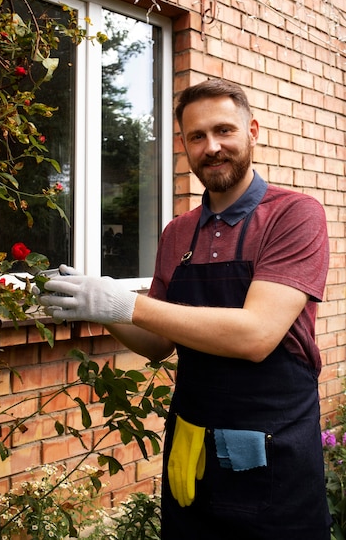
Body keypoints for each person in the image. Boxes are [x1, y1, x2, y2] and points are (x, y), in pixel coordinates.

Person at [38, 77, 331, 539]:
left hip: (274, 453)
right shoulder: (179, 232)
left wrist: (123, 302)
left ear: (252, 130)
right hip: (192, 447)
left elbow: (255, 335)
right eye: (197, 136)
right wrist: (95, 306)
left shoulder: (294, 215)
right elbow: (157, 344)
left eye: (224, 131)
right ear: (184, 145)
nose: (212, 147)